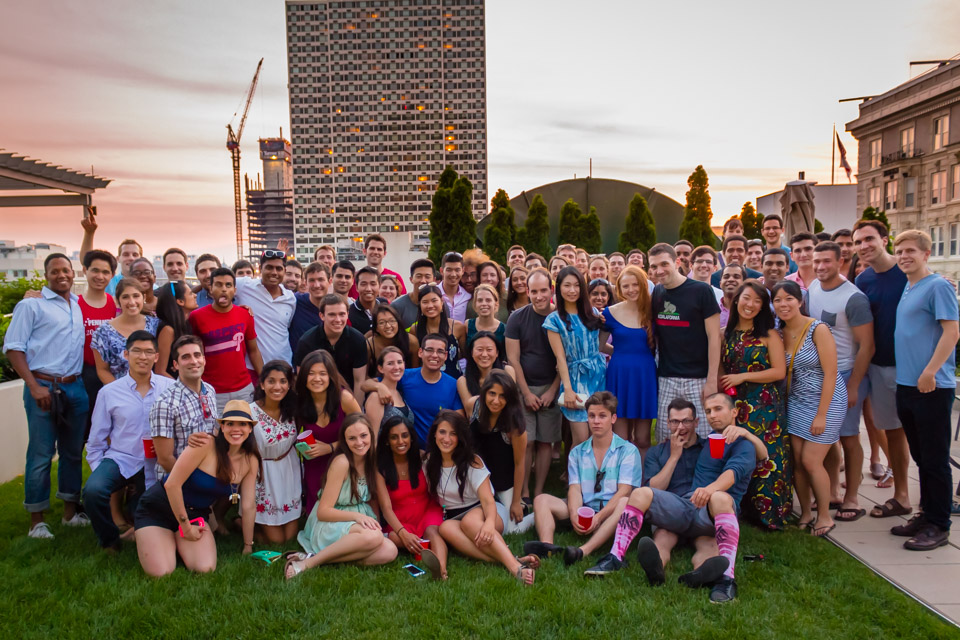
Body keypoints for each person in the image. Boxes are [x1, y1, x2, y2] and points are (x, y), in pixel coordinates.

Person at [585, 394, 761, 604]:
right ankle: (618, 558)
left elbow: (750, 460)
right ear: (667, 423)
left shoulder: (709, 444)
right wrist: (674, 455)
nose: (681, 427)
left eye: (686, 421)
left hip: (705, 512)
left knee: (711, 536)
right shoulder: (658, 451)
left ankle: (719, 578)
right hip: (678, 510)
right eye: (675, 421)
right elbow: (653, 488)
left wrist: (747, 434)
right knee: (643, 499)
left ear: (696, 423)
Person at [3, 253, 90, 538]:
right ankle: (36, 520)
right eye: (55, 271)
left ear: (73, 272)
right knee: (41, 454)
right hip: (43, 385)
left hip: (75, 386)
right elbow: (14, 348)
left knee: (72, 452)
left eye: (66, 270)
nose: (61, 275)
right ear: (46, 275)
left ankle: (70, 512)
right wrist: (33, 385)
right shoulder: (31, 305)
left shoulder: (77, 305)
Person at [134, 400, 260, 577]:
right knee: (162, 572)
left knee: (205, 568)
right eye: (230, 423)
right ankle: (151, 534)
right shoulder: (205, 444)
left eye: (242, 424)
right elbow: (172, 484)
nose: (236, 429)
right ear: (222, 427)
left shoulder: (250, 460)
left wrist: (248, 545)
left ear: (250, 428)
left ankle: (169, 541)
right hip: (159, 508)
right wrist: (185, 527)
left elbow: (248, 505)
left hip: (195, 514)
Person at [891, 230, 958, 550]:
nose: (904, 256)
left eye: (910, 251)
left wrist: (931, 371)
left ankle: (939, 524)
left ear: (926, 253)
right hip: (906, 385)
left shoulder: (939, 286)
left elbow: (952, 332)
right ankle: (926, 514)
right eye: (899, 251)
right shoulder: (909, 286)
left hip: (931, 386)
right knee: (921, 457)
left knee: (934, 459)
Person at [524, 392, 642, 566]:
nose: (596, 421)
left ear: (613, 418)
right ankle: (548, 546)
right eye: (592, 416)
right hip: (585, 508)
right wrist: (574, 514)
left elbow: (624, 490)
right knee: (541, 500)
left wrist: (599, 517)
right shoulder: (577, 452)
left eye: (602, 416)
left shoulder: (628, 451)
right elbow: (574, 488)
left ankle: (584, 550)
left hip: (611, 513)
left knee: (625, 501)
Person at [84, 331, 174, 551]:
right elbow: (95, 442)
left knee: (144, 511)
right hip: (122, 458)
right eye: (137, 351)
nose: (142, 357)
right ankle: (110, 541)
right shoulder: (109, 392)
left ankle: (144, 530)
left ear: (156, 356)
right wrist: (100, 472)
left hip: (157, 462)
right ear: (126, 354)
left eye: (148, 352)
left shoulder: (170, 388)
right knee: (93, 491)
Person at [426, 410, 538, 585]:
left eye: (453, 434)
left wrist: (488, 523)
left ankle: (515, 569)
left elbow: (488, 501)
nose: (446, 439)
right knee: (445, 528)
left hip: (488, 512)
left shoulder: (472, 461)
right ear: (434, 434)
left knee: (470, 522)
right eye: (442, 432)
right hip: (455, 517)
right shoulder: (429, 463)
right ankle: (511, 559)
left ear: (460, 438)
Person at [772, 281, 845, 538]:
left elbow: (831, 373)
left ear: (799, 301)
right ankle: (804, 512)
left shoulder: (817, 329)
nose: (783, 304)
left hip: (826, 399)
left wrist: (822, 414)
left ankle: (824, 514)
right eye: (778, 300)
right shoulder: (778, 332)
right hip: (795, 401)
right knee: (797, 463)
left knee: (811, 461)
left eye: (788, 299)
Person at [808, 241, 874, 524]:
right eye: (817, 261)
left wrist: (853, 385)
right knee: (827, 437)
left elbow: (867, 346)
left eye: (827, 261)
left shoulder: (853, 298)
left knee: (848, 437)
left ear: (840, 262)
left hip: (846, 374)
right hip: (818, 374)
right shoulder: (812, 289)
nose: (821, 266)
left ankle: (852, 496)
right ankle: (833, 490)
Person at [285, 413, 398, 578]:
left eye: (363, 436)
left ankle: (319, 558)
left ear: (371, 435)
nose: (359, 442)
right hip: (331, 521)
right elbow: (323, 511)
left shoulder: (371, 460)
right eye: (352, 438)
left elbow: (372, 498)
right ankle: (306, 564)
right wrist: (357, 517)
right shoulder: (342, 463)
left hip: (357, 521)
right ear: (344, 441)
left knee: (390, 551)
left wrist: (375, 522)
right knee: (373, 537)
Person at [852, 220, 913, 518]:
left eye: (869, 239)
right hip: (880, 366)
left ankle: (933, 496)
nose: (863, 246)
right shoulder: (863, 281)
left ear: (884, 240)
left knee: (921, 434)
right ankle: (902, 495)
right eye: (858, 242)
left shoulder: (909, 274)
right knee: (893, 432)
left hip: (913, 367)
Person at [720, 281, 790, 529]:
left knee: (767, 457)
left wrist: (743, 376)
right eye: (746, 298)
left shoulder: (769, 335)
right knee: (739, 452)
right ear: (736, 299)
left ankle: (768, 514)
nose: (750, 305)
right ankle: (739, 507)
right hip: (735, 404)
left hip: (764, 404)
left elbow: (780, 371)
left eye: (757, 301)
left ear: (763, 307)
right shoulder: (725, 333)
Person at [650, 243, 720, 440]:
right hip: (667, 377)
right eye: (654, 266)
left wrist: (712, 380)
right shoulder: (657, 292)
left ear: (677, 262)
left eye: (664, 264)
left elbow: (714, 337)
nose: (659, 270)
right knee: (666, 436)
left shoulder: (701, 291)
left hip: (698, 378)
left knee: (704, 437)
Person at [505, 268, 562, 500]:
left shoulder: (559, 318)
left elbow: (564, 360)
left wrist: (552, 390)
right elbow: (513, 359)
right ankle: (525, 489)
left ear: (551, 290)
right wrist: (526, 393)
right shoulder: (517, 318)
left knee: (545, 443)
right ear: (527, 292)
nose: (539, 296)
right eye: (534, 291)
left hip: (551, 388)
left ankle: (539, 490)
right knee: (526, 442)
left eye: (543, 290)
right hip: (523, 387)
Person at [375, 415, 446, 580]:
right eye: (394, 437)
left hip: (426, 510)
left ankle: (441, 569)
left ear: (411, 438)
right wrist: (402, 533)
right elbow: (386, 508)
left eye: (405, 435)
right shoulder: (381, 468)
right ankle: (419, 544)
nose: (401, 441)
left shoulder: (422, 458)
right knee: (394, 538)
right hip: (401, 518)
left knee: (432, 532)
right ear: (387, 441)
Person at [464, 371, 534, 534]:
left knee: (511, 530)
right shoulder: (473, 405)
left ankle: (535, 515)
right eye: (492, 394)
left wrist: (516, 501)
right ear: (484, 392)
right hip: (477, 478)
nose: (496, 401)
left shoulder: (514, 426)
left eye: (502, 396)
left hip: (503, 481)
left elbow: (519, 464)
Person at [294, 350, 363, 515]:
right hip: (314, 464)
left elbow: (363, 435)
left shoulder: (344, 399)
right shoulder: (301, 401)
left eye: (322, 374)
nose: (317, 379)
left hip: (344, 460)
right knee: (317, 516)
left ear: (331, 376)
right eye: (311, 373)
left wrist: (331, 447)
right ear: (304, 376)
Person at [544, 266, 606, 446]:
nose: (572, 290)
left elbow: (598, 345)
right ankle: (575, 474)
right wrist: (568, 389)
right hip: (575, 378)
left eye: (577, 285)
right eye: (567, 285)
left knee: (598, 433)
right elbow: (560, 358)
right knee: (581, 438)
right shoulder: (554, 320)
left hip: (598, 375)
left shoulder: (593, 313)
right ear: (559, 289)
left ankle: (596, 473)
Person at [600, 265, 657, 454]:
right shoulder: (609, 313)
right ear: (619, 289)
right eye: (626, 286)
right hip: (619, 374)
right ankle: (620, 481)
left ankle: (641, 480)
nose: (631, 289)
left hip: (645, 375)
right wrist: (621, 353)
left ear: (643, 285)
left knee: (642, 439)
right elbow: (601, 346)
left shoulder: (652, 311)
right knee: (620, 439)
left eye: (635, 285)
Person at [188, 267, 263, 412]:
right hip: (212, 391)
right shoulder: (196, 317)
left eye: (228, 285)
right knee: (215, 433)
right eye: (218, 285)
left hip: (243, 389)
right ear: (211, 289)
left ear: (234, 290)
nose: (224, 289)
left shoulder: (244, 314)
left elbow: (253, 351)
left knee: (246, 431)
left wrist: (263, 379)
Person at [150, 335, 219, 482]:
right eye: (186, 357)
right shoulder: (165, 403)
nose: (194, 361)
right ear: (175, 364)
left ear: (204, 359)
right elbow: (165, 459)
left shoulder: (210, 390)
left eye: (197, 355)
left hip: (207, 471)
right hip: (177, 481)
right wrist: (193, 484)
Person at [250, 360, 301, 544]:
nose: (277, 386)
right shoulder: (250, 412)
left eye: (283, 381)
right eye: (271, 381)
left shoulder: (293, 409)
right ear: (262, 384)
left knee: (290, 537)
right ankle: (243, 523)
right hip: (264, 474)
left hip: (289, 469)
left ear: (289, 384)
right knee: (277, 541)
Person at [294, 294, 368, 400]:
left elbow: (359, 381)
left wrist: (356, 413)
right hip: (316, 397)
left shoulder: (357, 340)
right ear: (322, 316)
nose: (338, 319)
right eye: (332, 315)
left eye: (342, 314)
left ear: (348, 314)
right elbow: (302, 380)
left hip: (348, 397)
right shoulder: (307, 341)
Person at [78, 249, 118, 433]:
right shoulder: (74, 303)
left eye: (105, 272)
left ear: (112, 275)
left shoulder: (115, 304)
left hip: (110, 374)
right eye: (95, 270)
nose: (100, 276)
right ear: (85, 270)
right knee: (82, 431)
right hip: (82, 376)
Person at [235, 250, 297, 367]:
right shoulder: (244, 285)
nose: (274, 272)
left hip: (284, 365)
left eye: (279, 269)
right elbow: (217, 282)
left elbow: (287, 326)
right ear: (260, 268)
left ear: (284, 271)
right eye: (269, 267)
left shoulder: (290, 298)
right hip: (252, 367)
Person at [91, 279, 160, 384]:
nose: (132, 302)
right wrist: (121, 392)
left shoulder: (156, 325)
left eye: (136, 296)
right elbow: (102, 370)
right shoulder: (103, 332)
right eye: (125, 297)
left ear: (144, 298)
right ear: (118, 301)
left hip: (152, 389)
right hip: (119, 392)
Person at [410, 283, 466, 379]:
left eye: (434, 300)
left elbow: (465, 354)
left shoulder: (457, 327)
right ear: (420, 304)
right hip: (425, 380)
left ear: (442, 301)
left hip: (453, 380)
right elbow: (415, 363)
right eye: (425, 302)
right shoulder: (415, 329)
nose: (430, 305)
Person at [458, 330, 516, 407]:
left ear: (497, 353)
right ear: (472, 352)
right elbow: (470, 411)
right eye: (480, 349)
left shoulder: (507, 371)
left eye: (489, 350)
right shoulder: (463, 380)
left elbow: (511, 403)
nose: (484, 354)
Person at [364, 346, 415, 431]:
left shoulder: (400, 391)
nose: (396, 367)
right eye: (390, 363)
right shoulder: (376, 397)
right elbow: (373, 437)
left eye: (399, 362)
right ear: (380, 368)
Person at [154, 281, 197, 378]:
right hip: (173, 388)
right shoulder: (168, 330)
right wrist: (182, 388)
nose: (195, 295)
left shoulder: (186, 324)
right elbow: (160, 371)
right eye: (190, 293)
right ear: (180, 301)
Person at [366, 304, 419, 377]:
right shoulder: (370, 345)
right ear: (376, 328)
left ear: (398, 323)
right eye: (382, 322)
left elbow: (415, 372)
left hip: (406, 380)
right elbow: (364, 376)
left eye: (392, 321)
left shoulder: (411, 341)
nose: (388, 326)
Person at [289, 261, 329, 354]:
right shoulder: (295, 301)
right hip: (299, 365)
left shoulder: (335, 307)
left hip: (326, 365)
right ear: (305, 282)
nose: (316, 285)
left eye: (321, 280)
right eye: (312, 280)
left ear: (329, 281)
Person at [466, 284, 506, 348]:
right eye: (480, 300)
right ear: (475, 304)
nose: (484, 304)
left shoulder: (504, 329)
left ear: (496, 304)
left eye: (488, 300)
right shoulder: (467, 325)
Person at [348, 266, 384, 335]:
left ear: (379, 286)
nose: (368, 289)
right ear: (356, 287)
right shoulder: (349, 313)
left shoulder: (385, 304)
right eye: (363, 284)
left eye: (373, 284)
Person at [440, 251, 471, 322]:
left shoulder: (468, 296)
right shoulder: (433, 293)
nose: (453, 274)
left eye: (457, 270)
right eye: (449, 270)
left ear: (463, 271)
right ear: (442, 271)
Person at [718, 263, 745, 329]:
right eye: (726, 277)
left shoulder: (749, 312)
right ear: (720, 283)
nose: (730, 280)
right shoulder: (712, 311)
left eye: (736, 277)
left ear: (744, 283)